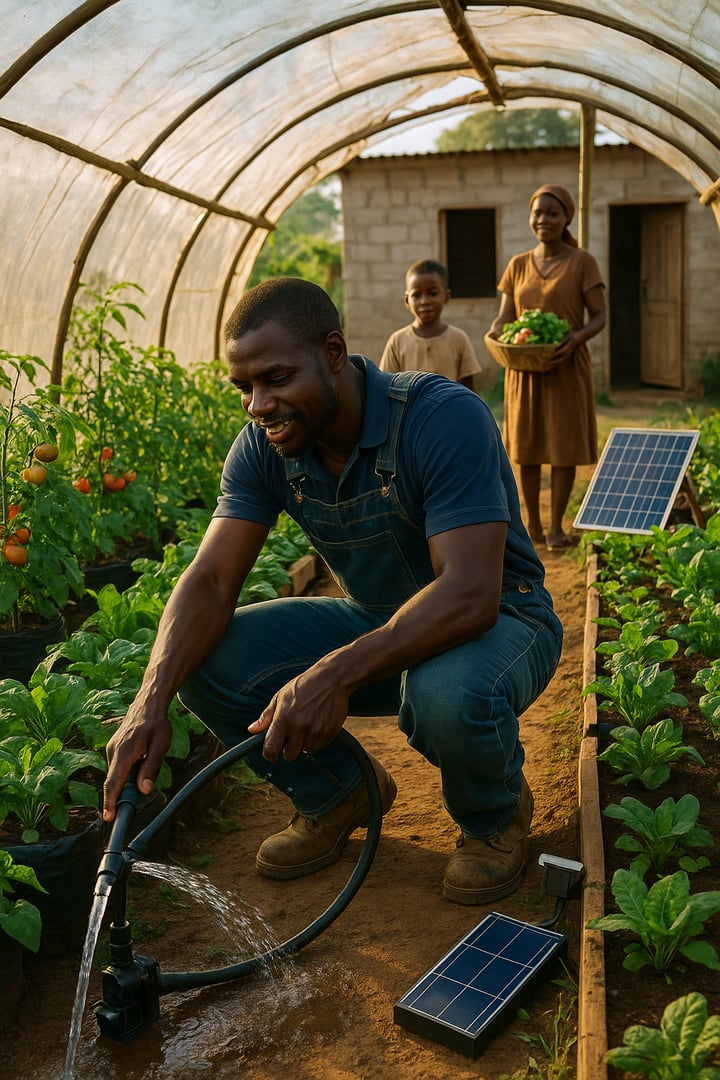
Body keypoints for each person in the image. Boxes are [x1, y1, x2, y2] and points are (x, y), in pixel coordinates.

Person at [102, 277, 563, 906]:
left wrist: (333, 674)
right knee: (202, 657)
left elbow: (470, 593)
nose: (259, 404)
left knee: (446, 691)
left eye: (276, 378)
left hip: (502, 621)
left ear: (334, 353)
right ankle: (336, 791)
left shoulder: (439, 417)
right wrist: (148, 700)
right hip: (376, 618)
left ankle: (493, 818)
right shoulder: (265, 447)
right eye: (245, 388)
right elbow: (210, 579)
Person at [488, 184, 606, 551]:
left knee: (562, 445)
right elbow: (505, 317)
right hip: (523, 370)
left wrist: (575, 338)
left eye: (552, 213)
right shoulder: (518, 264)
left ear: (566, 218)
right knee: (525, 446)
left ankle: (556, 526)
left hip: (565, 366)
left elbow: (600, 315)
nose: (543, 220)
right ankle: (532, 526)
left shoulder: (582, 261)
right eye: (537, 213)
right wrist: (495, 336)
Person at [380, 259, 482, 389]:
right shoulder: (397, 341)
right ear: (407, 300)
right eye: (416, 295)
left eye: (433, 293)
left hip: (450, 409)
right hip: (410, 410)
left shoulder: (459, 339)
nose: (424, 301)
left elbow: (467, 390)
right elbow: (387, 386)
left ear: (446, 296)